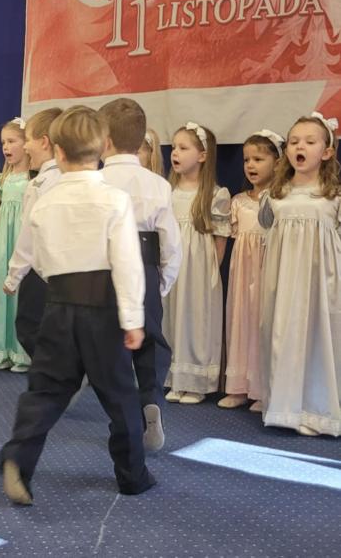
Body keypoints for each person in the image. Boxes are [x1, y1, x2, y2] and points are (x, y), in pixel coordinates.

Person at [0, 106, 154, 504]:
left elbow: (28, 252)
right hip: (103, 310)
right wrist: (133, 319)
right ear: (103, 147)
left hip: (57, 306)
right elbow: (127, 263)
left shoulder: (45, 201)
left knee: (46, 390)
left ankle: (18, 457)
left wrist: (13, 278)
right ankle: (132, 476)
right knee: (120, 395)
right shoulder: (115, 199)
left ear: (58, 152)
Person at [98, 99, 182, 452]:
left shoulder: (94, 181)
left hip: (101, 270)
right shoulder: (158, 184)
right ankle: (151, 399)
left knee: (108, 347)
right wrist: (161, 282)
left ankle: (123, 418)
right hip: (144, 267)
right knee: (150, 342)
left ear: (103, 140)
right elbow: (171, 243)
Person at [259, 113, 341, 437]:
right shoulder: (276, 195)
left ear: (327, 152)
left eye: (309, 141)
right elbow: (266, 226)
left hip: (320, 282)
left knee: (318, 339)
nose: (299, 147)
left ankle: (317, 410)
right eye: (294, 141)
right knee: (284, 334)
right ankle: (286, 408)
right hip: (283, 280)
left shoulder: (332, 196)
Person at [164, 123, 231, 405]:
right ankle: (175, 378)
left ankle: (196, 382)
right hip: (172, 268)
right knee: (172, 318)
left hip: (199, 271)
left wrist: (210, 272)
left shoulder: (215, 195)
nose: (175, 153)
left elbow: (220, 240)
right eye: (174, 147)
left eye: (183, 148)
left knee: (196, 319)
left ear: (202, 155)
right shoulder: (167, 192)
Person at [220, 130, 281, 411]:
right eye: (246, 160)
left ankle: (261, 389)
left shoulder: (279, 200)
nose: (251, 165)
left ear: (277, 163)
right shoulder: (238, 202)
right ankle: (239, 386)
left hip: (268, 270)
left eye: (258, 159)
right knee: (240, 320)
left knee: (263, 323)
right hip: (242, 275)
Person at [3, 108, 63, 364]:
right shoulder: (69, 179)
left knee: (29, 325)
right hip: (67, 272)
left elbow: (28, 235)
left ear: (44, 142)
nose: (25, 147)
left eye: (27, 140)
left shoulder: (38, 185)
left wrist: (14, 275)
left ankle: (56, 374)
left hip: (39, 271)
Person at [0, 118, 31, 371]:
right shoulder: (4, 178)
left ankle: (22, 352)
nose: (6, 147)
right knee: (2, 289)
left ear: (27, 144)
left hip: (22, 239)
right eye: (3, 142)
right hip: (5, 240)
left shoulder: (32, 178)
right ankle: (1, 349)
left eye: (12, 141)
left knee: (22, 291)